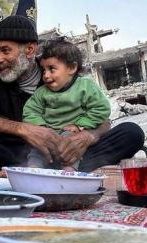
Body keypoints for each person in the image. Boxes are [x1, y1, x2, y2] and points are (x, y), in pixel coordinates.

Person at [0, 15, 145, 176]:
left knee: (131, 132)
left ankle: (39, 172)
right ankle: (41, 171)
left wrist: (88, 136)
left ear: (30, 50)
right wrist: (25, 130)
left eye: (5, 50)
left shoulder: (58, 74)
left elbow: (103, 120)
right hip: (28, 154)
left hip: (70, 151)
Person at [23, 39, 111, 171]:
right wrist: (41, 128)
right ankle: (33, 170)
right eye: (44, 70)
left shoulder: (85, 86)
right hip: (49, 137)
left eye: (51, 69)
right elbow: (30, 111)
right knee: (36, 151)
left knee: (70, 145)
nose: (46, 75)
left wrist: (80, 125)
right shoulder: (42, 92)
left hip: (72, 135)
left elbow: (101, 108)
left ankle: (68, 170)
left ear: (71, 68)